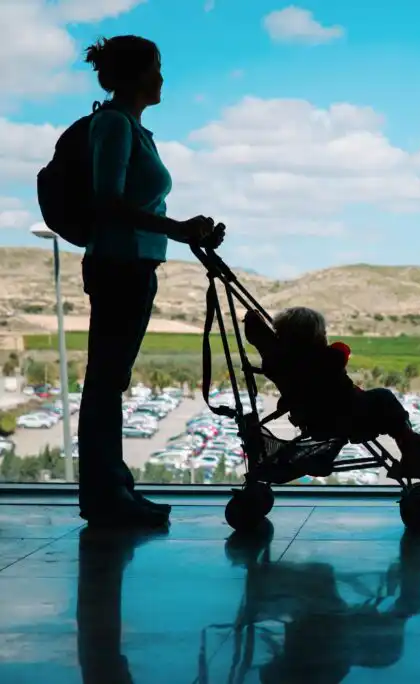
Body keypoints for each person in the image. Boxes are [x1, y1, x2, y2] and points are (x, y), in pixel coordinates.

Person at [77, 35, 224, 528]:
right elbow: (108, 201)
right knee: (105, 383)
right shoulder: (115, 125)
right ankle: (106, 496)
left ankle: (113, 490)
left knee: (110, 381)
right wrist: (176, 229)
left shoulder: (133, 128)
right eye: (155, 68)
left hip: (132, 265)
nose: (161, 77)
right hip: (119, 266)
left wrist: (184, 231)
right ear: (134, 75)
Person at [270, 307, 420, 481]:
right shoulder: (324, 358)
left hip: (323, 419)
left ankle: (413, 452)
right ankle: (413, 450)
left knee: (388, 411)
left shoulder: (286, 364)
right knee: (384, 398)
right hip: (345, 417)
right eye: (323, 333)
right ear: (313, 337)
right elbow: (342, 350)